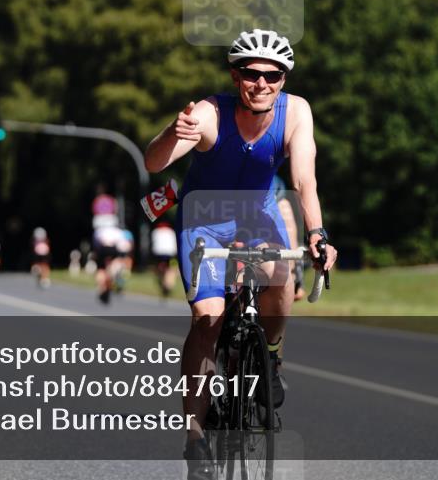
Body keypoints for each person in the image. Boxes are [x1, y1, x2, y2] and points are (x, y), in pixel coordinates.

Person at [143, 28, 337, 479]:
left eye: (273, 75)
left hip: (257, 216)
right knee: (208, 319)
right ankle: (194, 437)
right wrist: (173, 132)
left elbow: (304, 179)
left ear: (284, 78)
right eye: (251, 73)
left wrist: (317, 233)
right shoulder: (210, 115)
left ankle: (268, 356)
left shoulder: (296, 113)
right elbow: (155, 163)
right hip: (205, 220)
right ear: (235, 76)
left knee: (282, 277)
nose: (262, 83)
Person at [150, 221, 178, 297]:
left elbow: (153, 243)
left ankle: (162, 280)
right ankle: (168, 284)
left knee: (158, 269)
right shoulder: (171, 231)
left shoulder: (155, 231)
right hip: (170, 253)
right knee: (172, 269)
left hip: (158, 253)